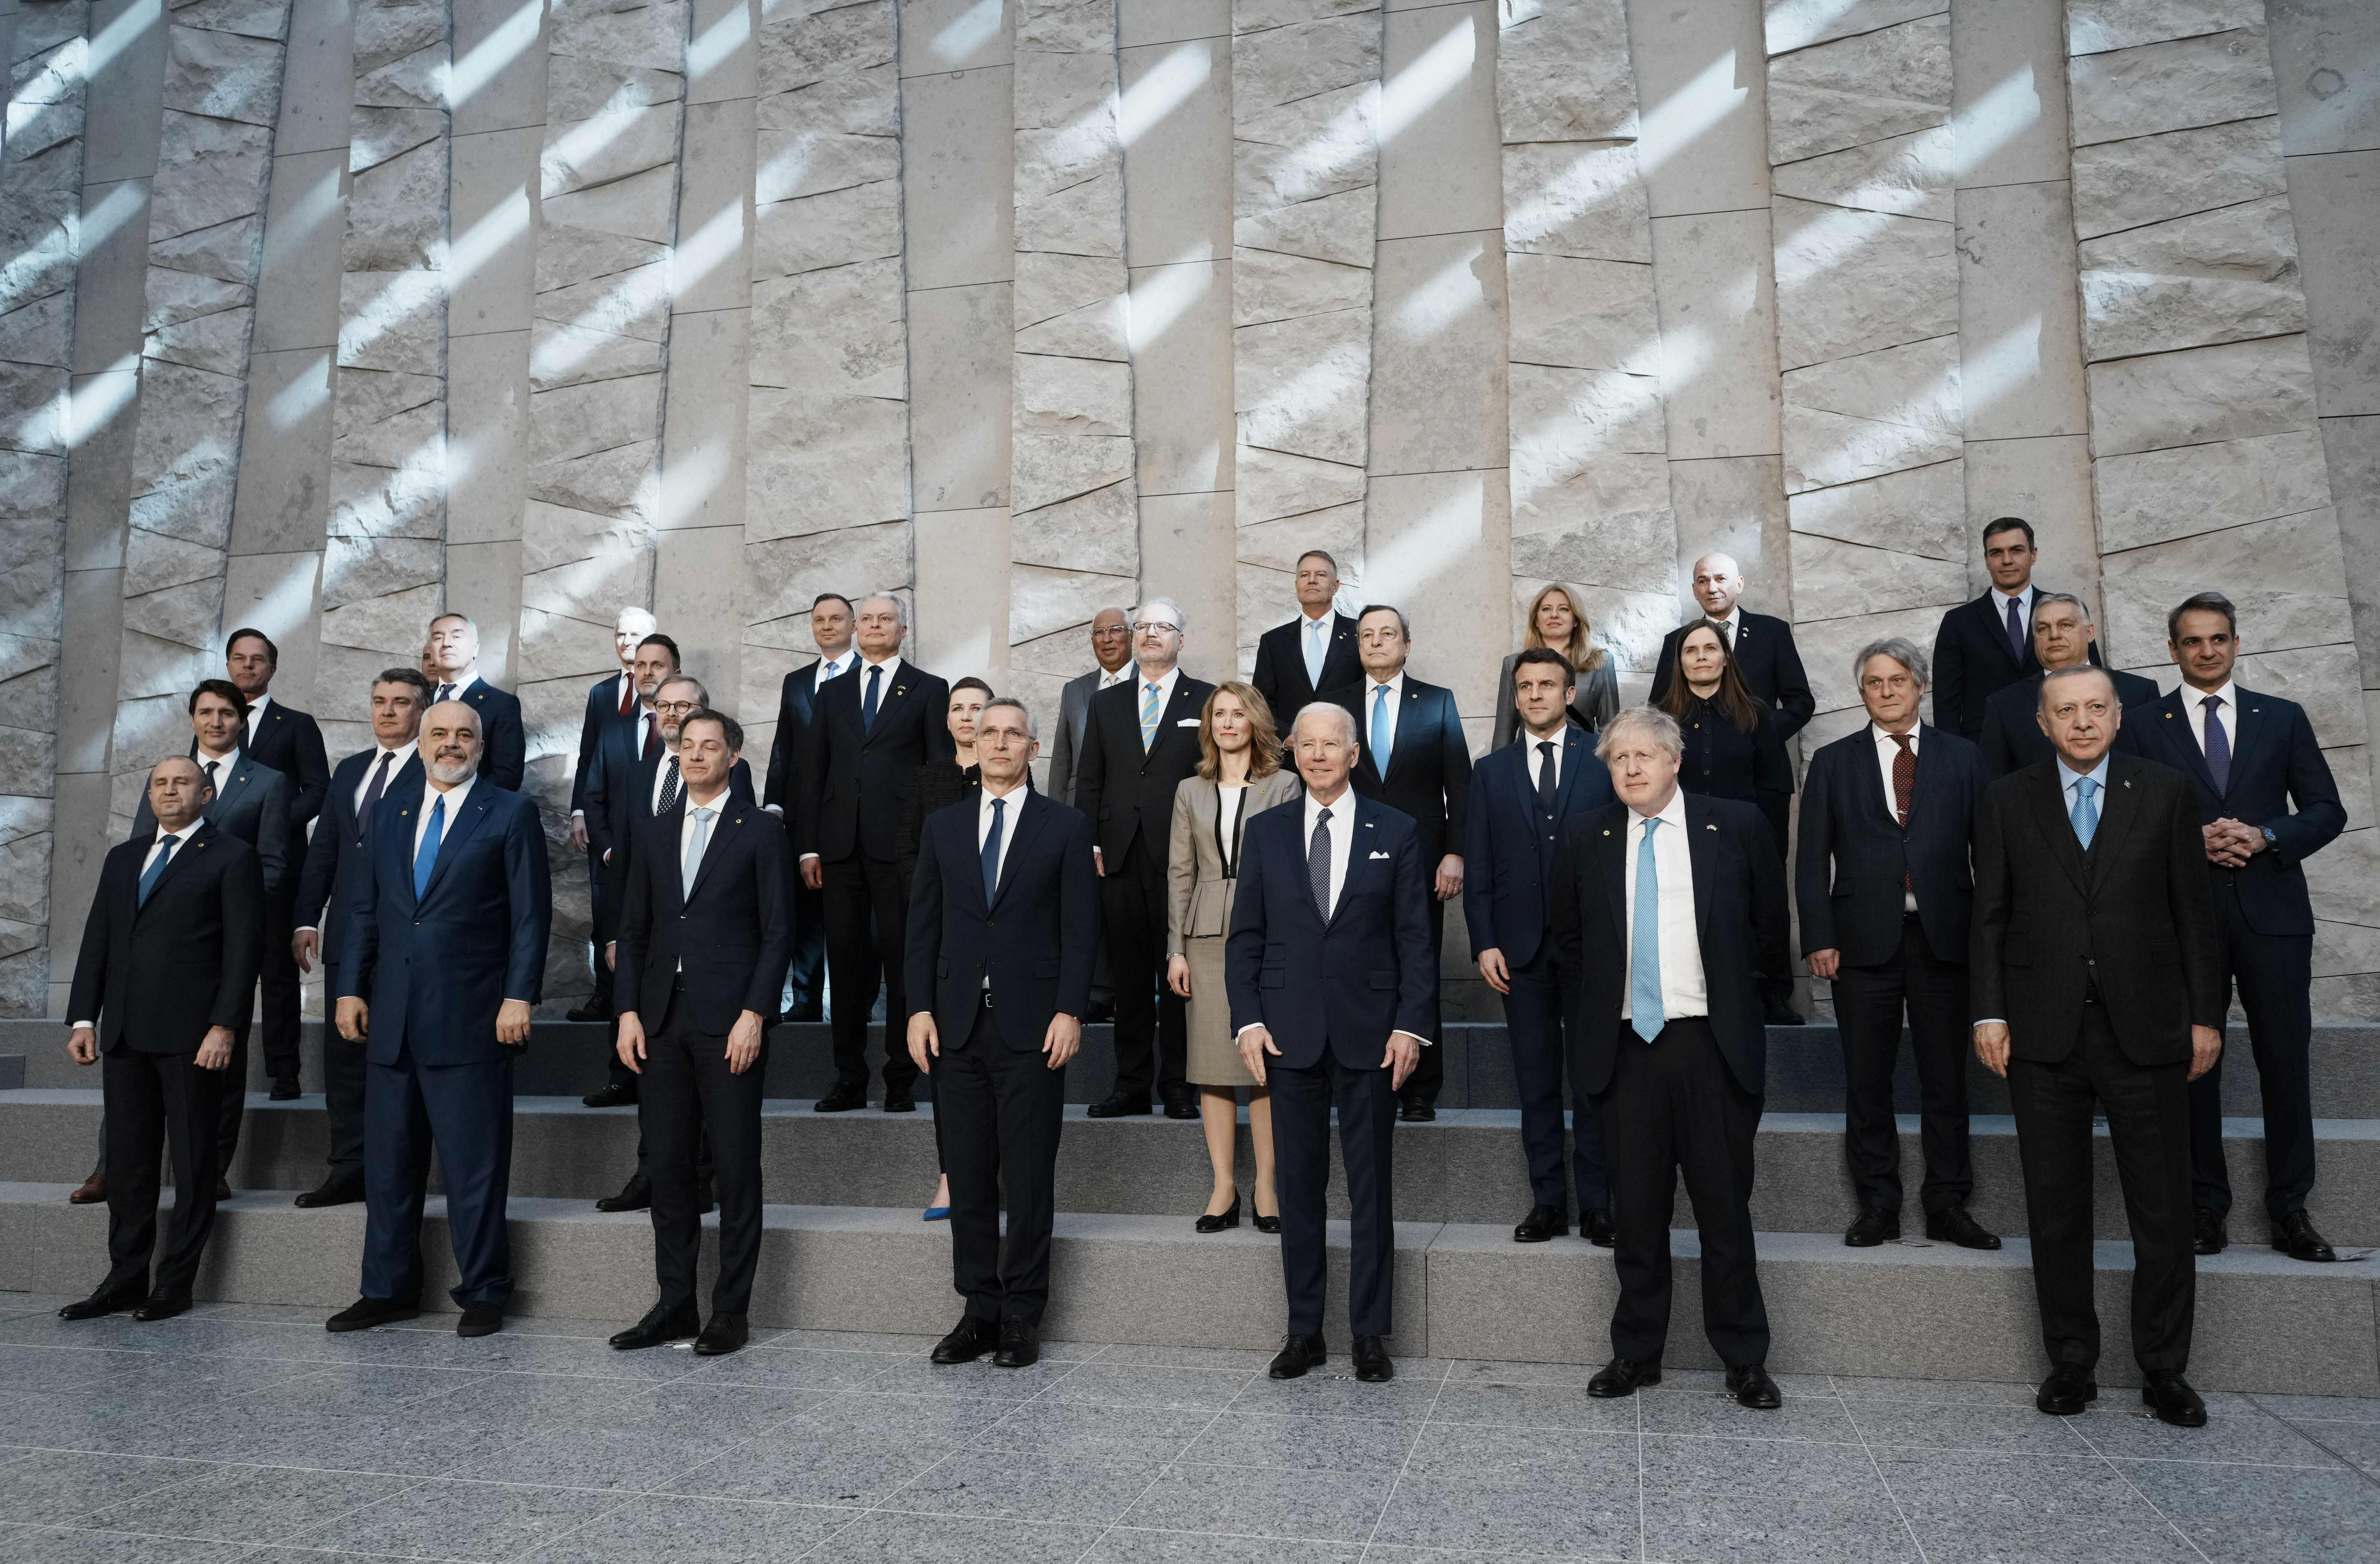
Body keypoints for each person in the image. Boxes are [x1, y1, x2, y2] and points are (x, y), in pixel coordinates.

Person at [1971, 666, 2224, 1427]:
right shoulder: (2006, 799)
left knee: (2163, 1209)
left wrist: (2205, 1016)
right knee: (2055, 1209)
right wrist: (1988, 1014)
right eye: (2065, 711)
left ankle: (2164, 1369)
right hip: (2042, 1032)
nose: (2081, 722)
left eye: (2094, 708)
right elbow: (1989, 915)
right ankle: (2071, 1364)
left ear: (2117, 715)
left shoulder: (2165, 791)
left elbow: (2194, 913)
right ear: (2042, 724)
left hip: (2147, 1029)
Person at [1554, 707, 1788, 1411]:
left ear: (1674, 761)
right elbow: (1570, 942)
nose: (1631, 768)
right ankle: (1636, 1353)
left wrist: (1742, 1011)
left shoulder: (1736, 824)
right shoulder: (1585, 835)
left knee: (1725, 1212)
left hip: (1711, 1045)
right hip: (1626, 1049)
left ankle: (1745, 1359)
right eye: (1619, 758)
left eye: (1644, 756)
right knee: (1637, 1212)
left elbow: (1768, 932)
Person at [2129, 593, 2346, 1263]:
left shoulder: (2281, 717)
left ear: (2236, 643)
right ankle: (2205, 1207)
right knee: (2194, 1063)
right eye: (2193, 641)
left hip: (2273, 917)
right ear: (2173, 649)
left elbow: (2327, 810)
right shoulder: (2142, 724)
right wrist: (2188, 841)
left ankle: (2291, 1210)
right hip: (2183, 920)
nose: (2207, 650)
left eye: (2218, 638)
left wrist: (2266, 836)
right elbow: (2123, 822)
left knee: (2285, 1061)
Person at [328, 699, 552, 1339]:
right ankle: (387, 1290)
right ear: (421, 744)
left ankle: (483, 1291)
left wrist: (519, 997)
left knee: (474, 1167)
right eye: (440, 735)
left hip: (473, 1019)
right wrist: (349, 989)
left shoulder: (510, 812)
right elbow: (364, 908)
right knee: (388, 1168)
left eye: (464, 736)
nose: (451, 744)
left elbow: (530, 916)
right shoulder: (390, 813)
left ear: (480, 747)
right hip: (391, 1019)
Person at [1226, 703, 1433, 1384]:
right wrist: (1248, 1020)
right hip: (1287, 1035)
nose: (1318, 755)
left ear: (1353, 754)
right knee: (1297, 1188)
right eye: (1307, 744)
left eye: (1331, 744)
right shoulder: (1265, 831)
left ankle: (1369, 1334)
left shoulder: (1396, 830)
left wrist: (1410, 1025)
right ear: (1293, 751)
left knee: (1371, 1190)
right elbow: (1246, 937)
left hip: (1373, 1034)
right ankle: (1304, 1331)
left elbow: (1415, 938)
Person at [906, 696, 1098, 1370]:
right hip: (955, 1025)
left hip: (1034, 1027)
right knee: (967, 1174)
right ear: (975, 743)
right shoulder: (944, 826)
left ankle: (1021, 1314)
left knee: (1029, 1175)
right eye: (989, 732)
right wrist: (918, 1009)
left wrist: (1071, 1011)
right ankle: (978, 1311)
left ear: (1033, 749)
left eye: (1013, 734)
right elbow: (922, 926)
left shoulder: (1065, 826)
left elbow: (1081, 930)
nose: (999, 743)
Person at [1796, 640, 1997, 1250]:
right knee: (1867, 1079)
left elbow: (1991, 857)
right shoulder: (1832, 762)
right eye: (1874, 682)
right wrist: (1819, 936)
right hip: (1860, 945)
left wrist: (1988, 941)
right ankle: (1878, 1203)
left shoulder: (1964, 758)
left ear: (1921, 686)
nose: (1886, 691)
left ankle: (1947, 1203)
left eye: (1898, 680)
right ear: (1862, 692)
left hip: (1946, 941)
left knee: (1946, 1080)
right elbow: (1810, 860)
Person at [608, 709, 791, 1358]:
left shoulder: (761, 831)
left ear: (732, 758)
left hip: (730, 1023)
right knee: (668, 1167)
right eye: (687, 745)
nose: (696, 754)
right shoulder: (653, 830)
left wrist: (755, 1014)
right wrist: (627, 1013)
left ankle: (730, 1311)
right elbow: (633, 931)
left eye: (710, 746)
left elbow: (778, 932)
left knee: (735, 1168)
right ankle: (675, 1303)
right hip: (660, 1020)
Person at [57, 757, 262, 1322]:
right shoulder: (123, 858)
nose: (170, 791)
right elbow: (99, 938)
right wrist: (83, 1018)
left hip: (194, 1038)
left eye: (182, 782)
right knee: (128, 1164)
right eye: (160, 784)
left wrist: (225, 1026)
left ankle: (175, 1284)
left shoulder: (232, 856)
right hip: (125, 1034)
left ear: (206, 793)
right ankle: (125, 1278)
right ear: (150, 796)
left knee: (193, 1165)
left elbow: (244, 950)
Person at [589, 671, 755, 1213]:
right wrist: (617, 935)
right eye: (664, 707)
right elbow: (630, 866)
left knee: (704, 1101)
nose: (674, 715)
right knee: (657, 1093)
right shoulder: (640, 772)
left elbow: (737, 869)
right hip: (652, 954)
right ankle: (652, 1175)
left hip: (713, 971)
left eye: (685, 706)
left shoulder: (729, 775)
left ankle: (698, 1176)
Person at [1466, 649, 1617, 1245]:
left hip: (1592, 947)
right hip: (1518, 950)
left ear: (1569, 694)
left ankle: (1599, 1205)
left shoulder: (1603, 758)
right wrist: (1484, 942)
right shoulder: (1490, 771)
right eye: (1525, 686)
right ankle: (1548, 1202)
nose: (1535, 695)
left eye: (1547, 685)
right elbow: (1479, 863)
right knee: (1535, 1083)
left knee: (1593, 1079)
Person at [122, 680, 291, 1193]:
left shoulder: (269, 782)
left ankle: (210, 1170)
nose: (216, 721)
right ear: (193, 718)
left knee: (222, 1060)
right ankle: (114, 1165)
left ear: (242, 720)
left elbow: (272, 864)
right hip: (156, 943)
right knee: (131, 1058)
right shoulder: (166, 776)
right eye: (205, 712)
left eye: (226, 713)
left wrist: (228, 910)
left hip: (222, 940)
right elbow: (139, 851)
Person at [797, 594, 954, 1113]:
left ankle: (901, 1077)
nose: (874, 626)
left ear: (903, 630)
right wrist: (809, 846)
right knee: (844, 965)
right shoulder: (832, 692)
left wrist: (932, 847)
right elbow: (813, 771)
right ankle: (849, 1078)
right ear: (856, 629)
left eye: (885, 619)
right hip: (840, 850)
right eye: (866, 619)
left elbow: (939, 773)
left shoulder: (929, 689)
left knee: (904, 961)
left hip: (902, 851)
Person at [1323, 604, 1470, 1119]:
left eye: (1387, 634)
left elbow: (1460, 784)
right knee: (1356, 963)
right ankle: (1361, 1075)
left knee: (1418, 962)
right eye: (1367, 634)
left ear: (1407, 644)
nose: (1376, 641)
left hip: (1424, 858)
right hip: (1350, 854)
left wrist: (1456, 852)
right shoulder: (1335, 704)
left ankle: (1421, 1088)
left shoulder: (1437, 701)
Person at [290, 668, 429, 1209]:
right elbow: (325, 847)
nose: (387, 711)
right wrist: (307, 918)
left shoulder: (435, 767)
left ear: (422, 709)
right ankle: (347, 1167)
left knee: (396, 1059)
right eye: (379, 701)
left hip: (405, 940)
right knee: (344, 1058)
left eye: (400, 702)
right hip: (348, 936)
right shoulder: (350, 769)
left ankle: (394, 1172)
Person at [1167, 682, 1301, 1232]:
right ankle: (1224, 1187)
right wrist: (1175, 950)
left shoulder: (1285, 784)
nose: (1227, 722)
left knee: (1264, 1062)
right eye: (1218, 714)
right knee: (1211, 1065)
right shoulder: (1189, 790)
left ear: (1255, 722)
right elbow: (1180, 873)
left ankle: (1267, 1186)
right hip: (1203, 936)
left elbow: (1293, 865)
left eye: (1237, 713)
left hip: (1268, 931)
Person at [1076, 598, 1215, 1120]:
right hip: (1118, 856)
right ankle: (1131, 1085)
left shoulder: (1207, 699)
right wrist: (1090, 842)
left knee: (1180, 975)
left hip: (1183, 857)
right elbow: (1090, 777)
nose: (1151, 633)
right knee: (1129, 976)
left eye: (1163, 627)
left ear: (1181, 639)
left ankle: (1179, 1085)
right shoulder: (1106, 702)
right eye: (1143, 626)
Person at [895, 675, 998, 1220]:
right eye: (958, 708)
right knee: (945, 1063)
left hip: (997, 938)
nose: (966, 716)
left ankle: (995, 1177)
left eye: (977, 708)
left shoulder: (1004, 774)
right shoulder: (926, 778)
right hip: (941, 934)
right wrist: (936, 898)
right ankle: (949, 1178)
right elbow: (907, 851)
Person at [577, 633, 689, 1112]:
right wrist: (607, 851)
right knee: (624, 976)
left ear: (675, 670)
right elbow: (595, 797)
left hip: (684, 892)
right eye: (640, 664)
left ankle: (668, 1076)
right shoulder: (616, 736)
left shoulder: (708, 747)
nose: (646, 672)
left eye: (657, 664)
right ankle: (622, 1076)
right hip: (625, 880)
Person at [222, 628, 330, 1100]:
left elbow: (319, 790)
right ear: (229, 665)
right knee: (221, 967)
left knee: (278, 974)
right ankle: (217, 1065)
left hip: (279, 866)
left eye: (257, 659)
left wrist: (271, 822)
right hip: (222, 866)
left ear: (272, 668)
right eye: (239, 658)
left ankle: (284, 1071)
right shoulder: (214, 722)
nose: (248, 666)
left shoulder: (296, 724)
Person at [764, 593, 859, 1021]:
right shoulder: (797, 681)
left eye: (836, 618)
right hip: (802, 812)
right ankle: (805, 999)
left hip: (853, 812)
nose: (827, 625)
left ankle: (853, 1002)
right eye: (819, 619)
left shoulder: (869, 676)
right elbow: (783, 746)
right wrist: (774, 803)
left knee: (851, 913)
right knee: (804, 908)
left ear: (853, 626)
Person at [568, 605, 659, 1023]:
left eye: (636, 635)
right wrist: (579, 810)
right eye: (621, 634)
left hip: (652, 819)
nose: (627, 641)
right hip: (604, 818)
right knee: (604, 908)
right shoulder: (602, 693)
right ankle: (605, 994)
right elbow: (589, 754)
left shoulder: (672, 693)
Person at [1931, 516, 2099, 742]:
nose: (2007, 560)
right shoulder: (1958, 622)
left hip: (2060, 739)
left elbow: (2095, 676)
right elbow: (1946, 704)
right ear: (1986, 560)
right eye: (1997, 553)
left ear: (2033, 555)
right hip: (1985, 746)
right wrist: (1956, 756)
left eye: (2016, 550)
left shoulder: (2067, 612)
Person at [1978, 592, 2157, 777]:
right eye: (2043, 629)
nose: (2054, 635)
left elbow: (2158, 776)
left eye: (2065, 625)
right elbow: (1993, 785)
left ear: (2089, 633)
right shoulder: (2004, 706)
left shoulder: (2140, 693)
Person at [1648, 553, 1814, 737]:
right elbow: (1658, 710)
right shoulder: (1676, 640)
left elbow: (1801, 702)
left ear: (1739, 584)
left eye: (1721, 579)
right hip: (1696, 753)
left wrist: (1762, 735)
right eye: (1703, 581)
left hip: (1761, 754)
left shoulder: (1773, 632)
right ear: (1695, 590)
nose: (1712, 589)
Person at [1492, 583, 1620, 747]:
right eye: (1546, 609)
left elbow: (1611, 731)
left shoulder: (1600, 663)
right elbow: (1504, 732)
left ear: (1576, 619)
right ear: (1536, 620)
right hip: (1528, 757)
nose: (1554, 615)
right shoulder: (1513, 664)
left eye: (1564, 609)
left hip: (1582, 756)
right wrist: (1496, 764)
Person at [1250, 550, 1361, 731]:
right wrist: (1286, 737)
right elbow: (1261, 702)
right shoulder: (1273, 642)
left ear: (1336, 586)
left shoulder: (1360, 633)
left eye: (1321, 575)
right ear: (1297, 585)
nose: (1312, 580)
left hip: (1347, 742)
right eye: (1304, 575)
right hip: (1291, 746)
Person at [424, 613, 526, 789]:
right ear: (431, 651)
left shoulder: (502, 705)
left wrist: (455, 799)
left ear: (476, 648)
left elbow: (508, 776)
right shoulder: (420, 702)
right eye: (438, 638)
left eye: (456, 637)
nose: (446, 643)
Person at [1047, 607, 1133, 804]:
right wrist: (1056, 813)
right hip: (1080, 804)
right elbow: (1062, 761)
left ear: (1132, 636)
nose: (1107, 639)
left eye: (1115, 630)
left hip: (1133, 804)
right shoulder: (1073, 690)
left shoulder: (1150, 684)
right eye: (1099, 632)